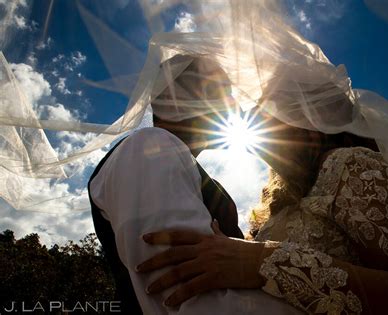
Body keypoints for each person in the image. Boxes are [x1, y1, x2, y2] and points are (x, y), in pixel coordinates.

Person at [132, 75, 388, 314]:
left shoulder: (352, 167)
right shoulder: (274, 208)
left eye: (277, 114)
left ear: (316, 120)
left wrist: (264, 263)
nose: (264, 133)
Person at [88, 54, 303, 314]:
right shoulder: (148, 148)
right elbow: (188, 298)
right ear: (174, 99)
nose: (232, 102)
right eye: (218, 90)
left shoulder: (205, 180)